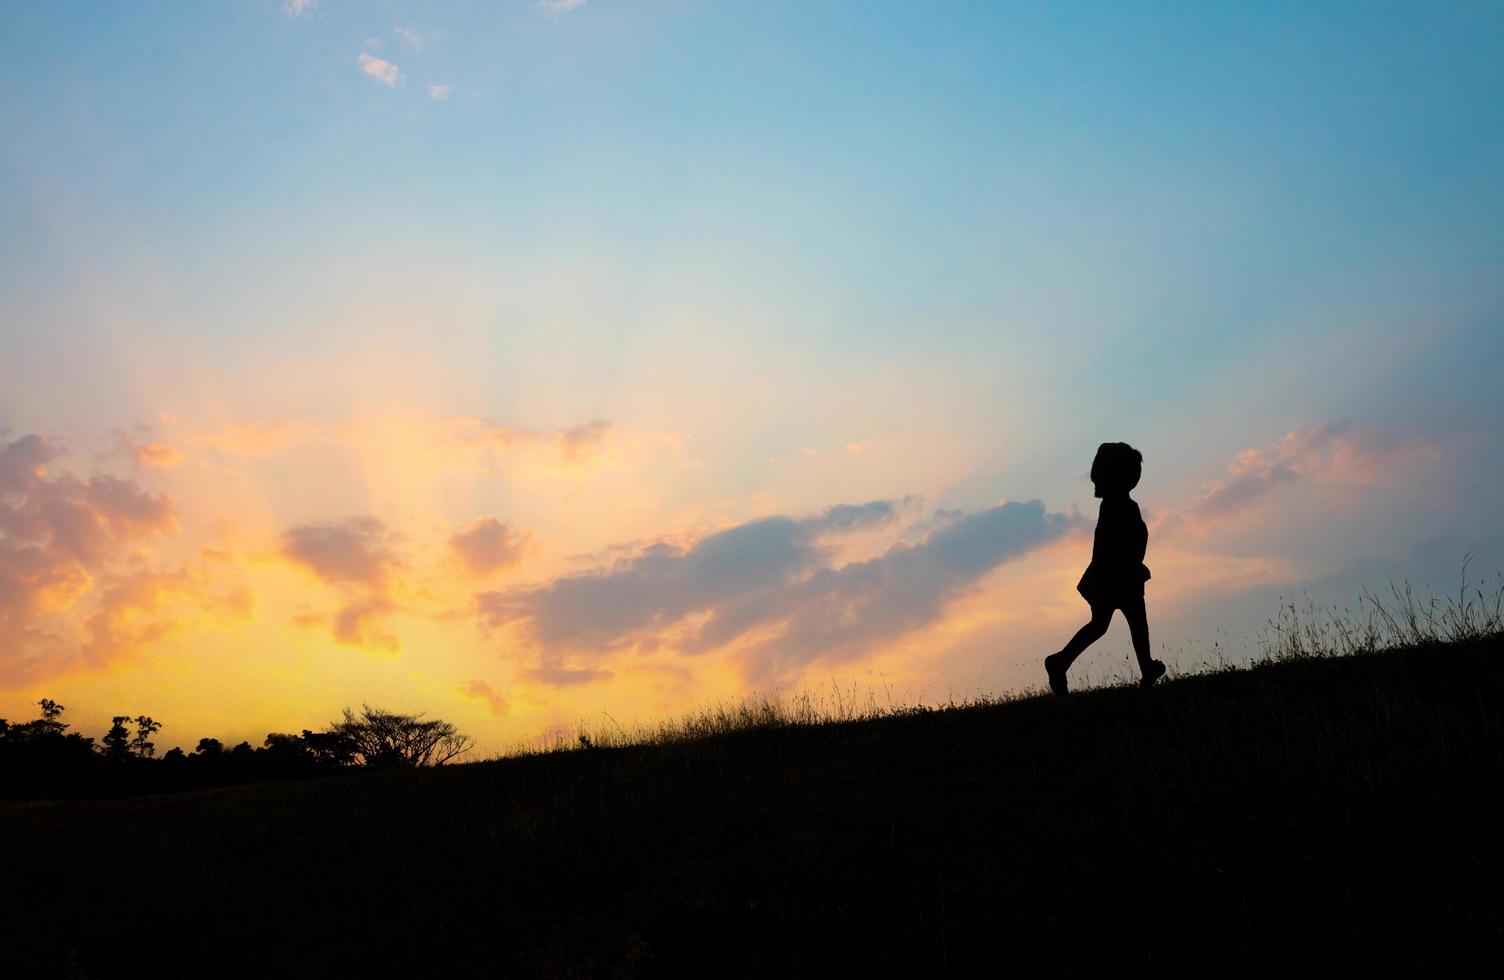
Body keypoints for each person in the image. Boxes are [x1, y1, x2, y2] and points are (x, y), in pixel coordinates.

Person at [1045, 442, 1165, 696]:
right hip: (1117, 575)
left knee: (1106, 624)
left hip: (1117, 573)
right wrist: (1129, 566)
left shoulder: (1119, 504)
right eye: (1132, 473)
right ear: (1121, 476)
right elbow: (1112, 543)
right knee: (1131, 621)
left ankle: (1061, 662)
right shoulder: (1117, 506)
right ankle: (1145, 667)